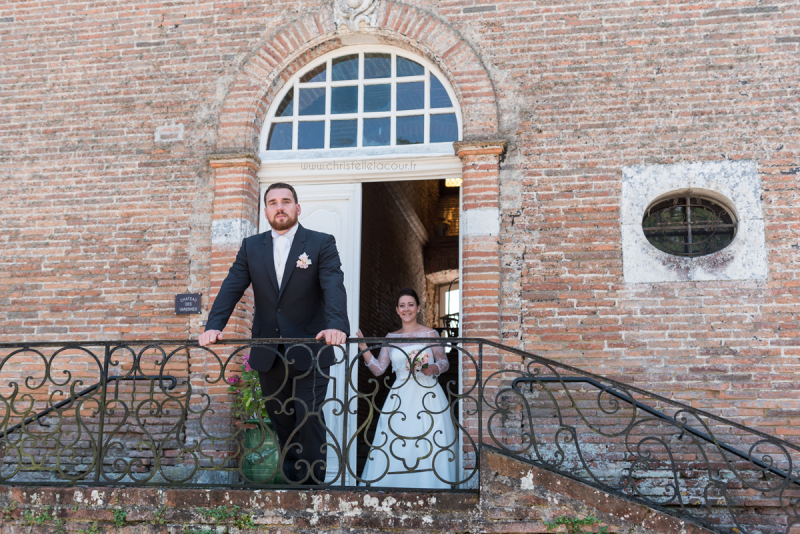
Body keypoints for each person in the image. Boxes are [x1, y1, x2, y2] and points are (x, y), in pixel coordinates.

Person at [199, 182, 349, 485]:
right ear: (265, 210)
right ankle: (294, 484)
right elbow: (232, 286)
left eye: (286, 201)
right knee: (281, 420)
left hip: (311, 348)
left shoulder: (321, 243)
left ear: (297, 207)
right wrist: (214, 325)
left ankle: (312, 487)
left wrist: (336, 326)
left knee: (308, 418)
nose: (279, 207)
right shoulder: (251, 246)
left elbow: (333, 285)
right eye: (272, 202)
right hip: (268, 351)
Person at [355, 288, 457, 489]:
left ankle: (432, 485)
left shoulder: (430, 333)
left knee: (429, 439)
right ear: (396, 310)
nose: (406, 309)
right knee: (395, 439)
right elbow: (378, 369)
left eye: (411, 304)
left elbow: (444, 361)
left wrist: (433, 368)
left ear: (418, 308)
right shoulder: (391, 337)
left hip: (428, 393)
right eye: (402, 305)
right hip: (400, 395)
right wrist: (363, 347)